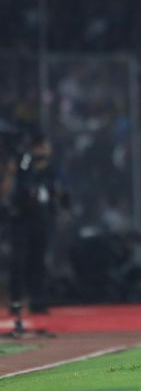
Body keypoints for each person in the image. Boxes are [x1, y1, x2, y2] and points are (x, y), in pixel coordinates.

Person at [6, 132, 67, 314]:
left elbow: (60, 193)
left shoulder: (52, 169)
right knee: (18, 261)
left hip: (42, 219)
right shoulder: (24, 165)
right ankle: (16, 300)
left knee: (39, 261)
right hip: (21, 219)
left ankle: (38, 300)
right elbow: (12, 191)